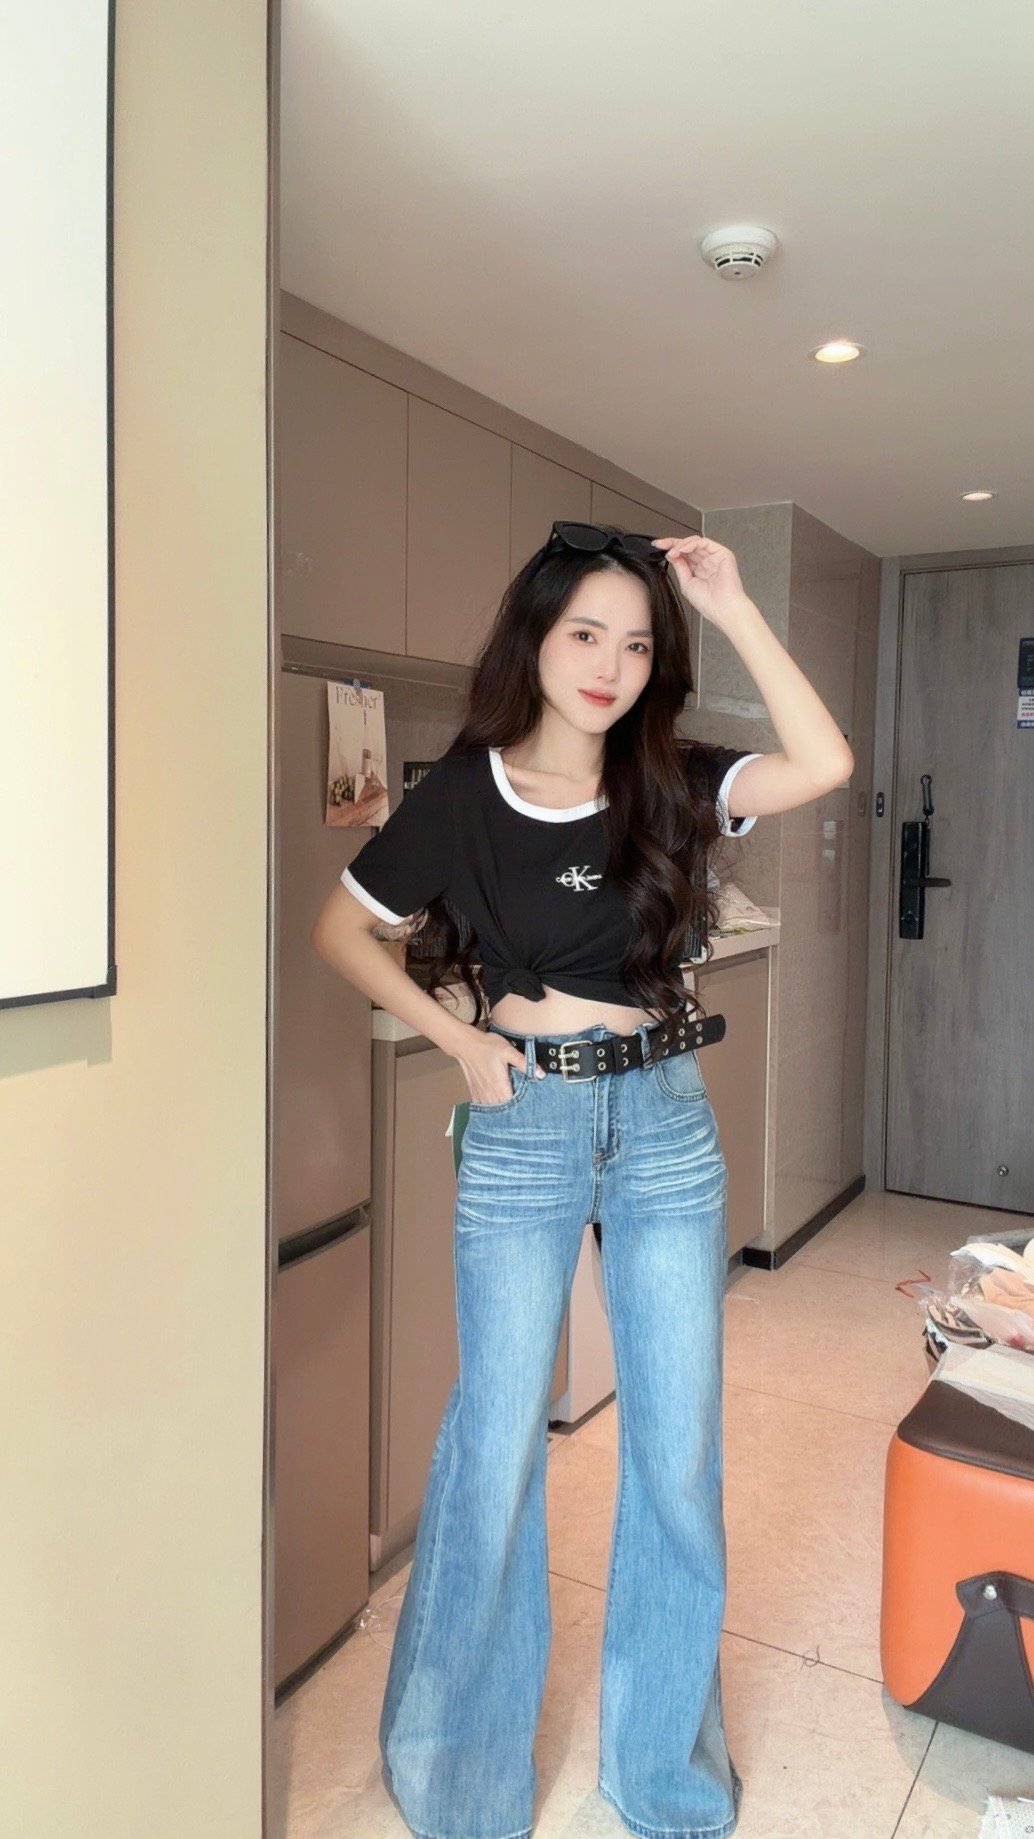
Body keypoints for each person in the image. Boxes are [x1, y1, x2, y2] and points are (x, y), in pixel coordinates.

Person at [312, 522, 854, 1839]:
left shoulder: (672, 781)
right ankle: (458, 1776)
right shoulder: (463, 793)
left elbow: (827, 761)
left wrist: (731, 607)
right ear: (537, 641)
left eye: (636, 643)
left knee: (677, 1452)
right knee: (495, 1441)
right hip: (525, 1122)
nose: (609, 665)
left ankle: (661, 1776)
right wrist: (456, 1040)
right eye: (585, 634)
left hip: (665, 1123)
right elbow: (342, 929)